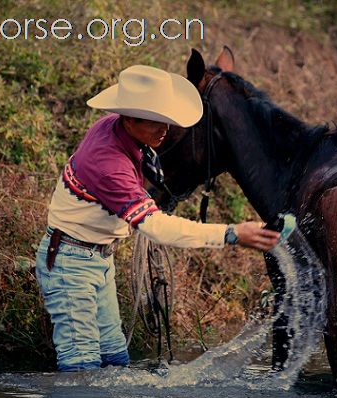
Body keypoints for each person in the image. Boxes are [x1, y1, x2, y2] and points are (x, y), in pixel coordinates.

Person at [35, 65, 280, 372]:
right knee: (81, 371)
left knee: (114, 362)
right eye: (154, 120)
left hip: (97, 258)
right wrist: (231, 234)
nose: (164, 128)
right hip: (71, 263)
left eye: (166, 118)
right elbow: (156, 227)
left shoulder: (119, 131)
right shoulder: (109, 162)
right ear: (129, 118)